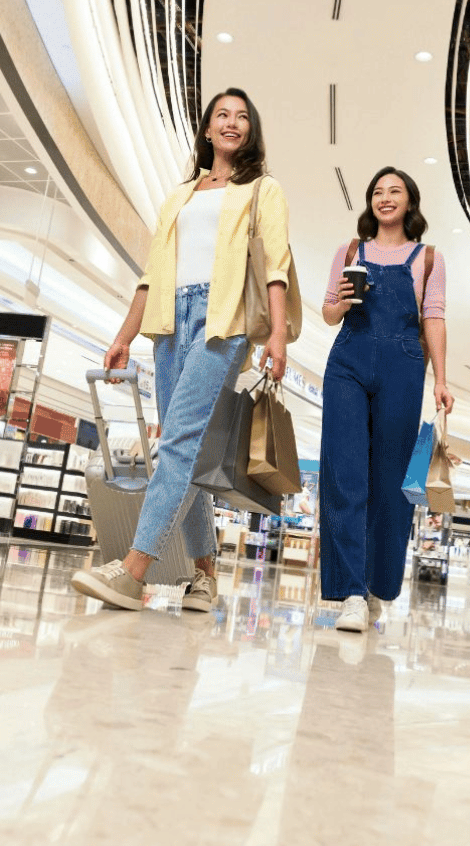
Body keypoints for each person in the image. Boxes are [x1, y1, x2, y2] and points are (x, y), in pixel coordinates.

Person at [72, 88, 294, 612]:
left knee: (177, 445)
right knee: (180, 444)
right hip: (171, 323)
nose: (232, 122)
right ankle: (203, 575)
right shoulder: (180, 196)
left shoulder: (264, 190)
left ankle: (134, 570)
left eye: (242, 116)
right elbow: (152, 274)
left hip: (224, 323)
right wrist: (125, 335)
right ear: (207, 128)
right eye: (222, 115)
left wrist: (278, 334)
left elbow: (276, 267)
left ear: (251, 130)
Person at [319, 167, 452, 633]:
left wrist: (441, 378)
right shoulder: (349, 251)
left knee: (391, 483)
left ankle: (377, 584)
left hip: (403, 363)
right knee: (345, 474)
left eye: (395, 191)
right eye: (377, 191)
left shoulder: (428, 259)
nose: (385, 197)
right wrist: (344, 302)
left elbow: (432, 317)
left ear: (410, 203)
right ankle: (350, 592)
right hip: (348, 362)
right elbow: (328, 312)